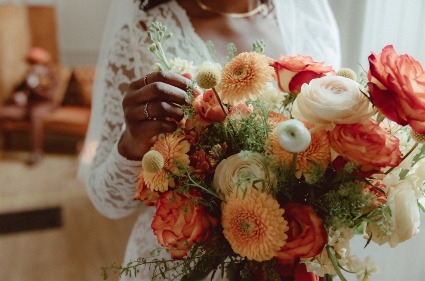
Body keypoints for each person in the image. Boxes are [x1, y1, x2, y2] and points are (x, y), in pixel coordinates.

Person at [78, 0, 341, 280]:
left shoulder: (308, 21)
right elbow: (108, 202)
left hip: (289, 264)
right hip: (176, 266)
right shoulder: (144, 33)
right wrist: (132, 142)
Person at [0, 47, 58, 165]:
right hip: (27, 106)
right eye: (31, 63)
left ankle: (37, 152)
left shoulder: (51, 76)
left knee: (36, 115)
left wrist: (34, 87)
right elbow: (18, 90)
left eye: (35, 63)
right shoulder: (29, 75)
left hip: (44, 106)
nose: (33, 66)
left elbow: (49, 96)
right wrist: (18, 95)